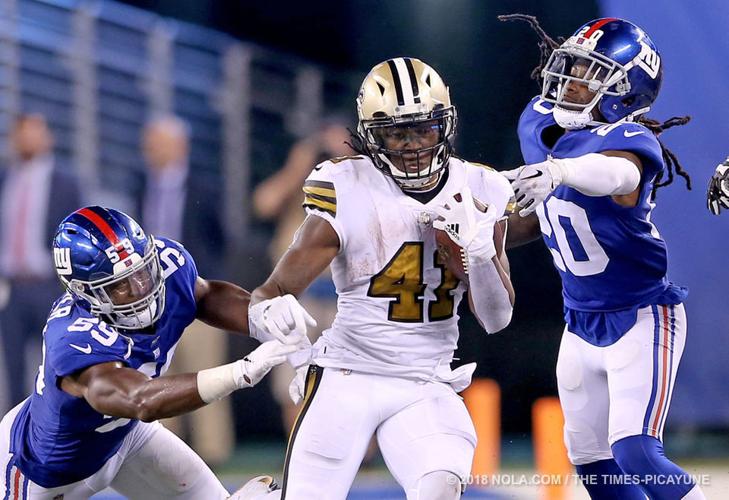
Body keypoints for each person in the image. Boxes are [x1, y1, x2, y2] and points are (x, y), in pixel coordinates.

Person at [248, 57, 515, 500]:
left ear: (444, 126)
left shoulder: (481, 188)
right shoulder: (347, 186)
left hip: (426, 381)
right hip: (346, 375)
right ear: (372, 137)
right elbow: (270, 293)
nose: (411, 145)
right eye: (396, 132)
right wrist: (284, 334)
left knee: (441, 486)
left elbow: (495, 319)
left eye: (423, 128)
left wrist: (479, 254)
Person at [498, 15, 704, 499]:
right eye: (571, 66)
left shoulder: (631, 142)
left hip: (641, 316)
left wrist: (559, 171)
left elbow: (614, 177)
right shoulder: (539, 121)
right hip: (579, 320)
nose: (569, 81)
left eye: (589, 74)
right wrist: (484, 232)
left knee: (635, 450)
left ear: (625, 91)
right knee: (592, 462)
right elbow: (544, 217)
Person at [0, 206, 297, 499]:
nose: (141, 288)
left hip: (125, 436)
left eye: (142, 271)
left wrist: (260, 314)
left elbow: (203, 295)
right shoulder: (74, 337)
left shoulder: (166, 268)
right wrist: (238, 373)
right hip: (44, 472)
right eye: (119, 286)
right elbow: (140, 400)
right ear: (86, 293)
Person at [137, 115, 233, 466]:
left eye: (157, 141)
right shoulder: (141, 185)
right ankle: (164, 449)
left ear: (180, 146)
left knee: (207, 373)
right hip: (152, 302)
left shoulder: (204, 187)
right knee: (161, 374)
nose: (149, 149)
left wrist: (207, 289)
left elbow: (221, 240)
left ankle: (214, 452)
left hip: (195, 297)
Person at [252, 116, 353, 432]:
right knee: (294, 382)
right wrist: (300, 167)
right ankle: (297, 450)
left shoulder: (357, 183)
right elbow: (262, 204)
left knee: (356, 379)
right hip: (299, 298)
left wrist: (348, 161)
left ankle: (363, 460)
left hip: (347, 297)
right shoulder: (300, 186)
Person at [0, 114, 82, 410]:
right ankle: (16, 442)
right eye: (21, 134)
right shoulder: (5, 178)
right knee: (13, 369)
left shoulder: (66, 183)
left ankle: (57, 434)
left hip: (49, 285)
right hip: (10, 288)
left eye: (33, 133)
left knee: (57, 365)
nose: (26, 140)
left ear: (48, 138)